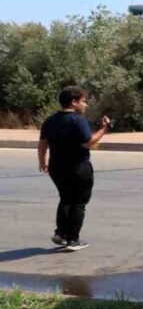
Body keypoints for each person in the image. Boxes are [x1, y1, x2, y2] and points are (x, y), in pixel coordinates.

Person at [37, 86, 110, 252]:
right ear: (74, 102)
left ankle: (61, 233)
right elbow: (88, 142)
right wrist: (104, 129)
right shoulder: (77, 120)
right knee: (78, 203)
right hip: (78, 168)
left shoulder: (50, 120)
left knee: (65, 198)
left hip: (57, 168)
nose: (86, 105)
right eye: (84, 101)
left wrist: (42, 162)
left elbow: (42, 144)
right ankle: (73, 240)